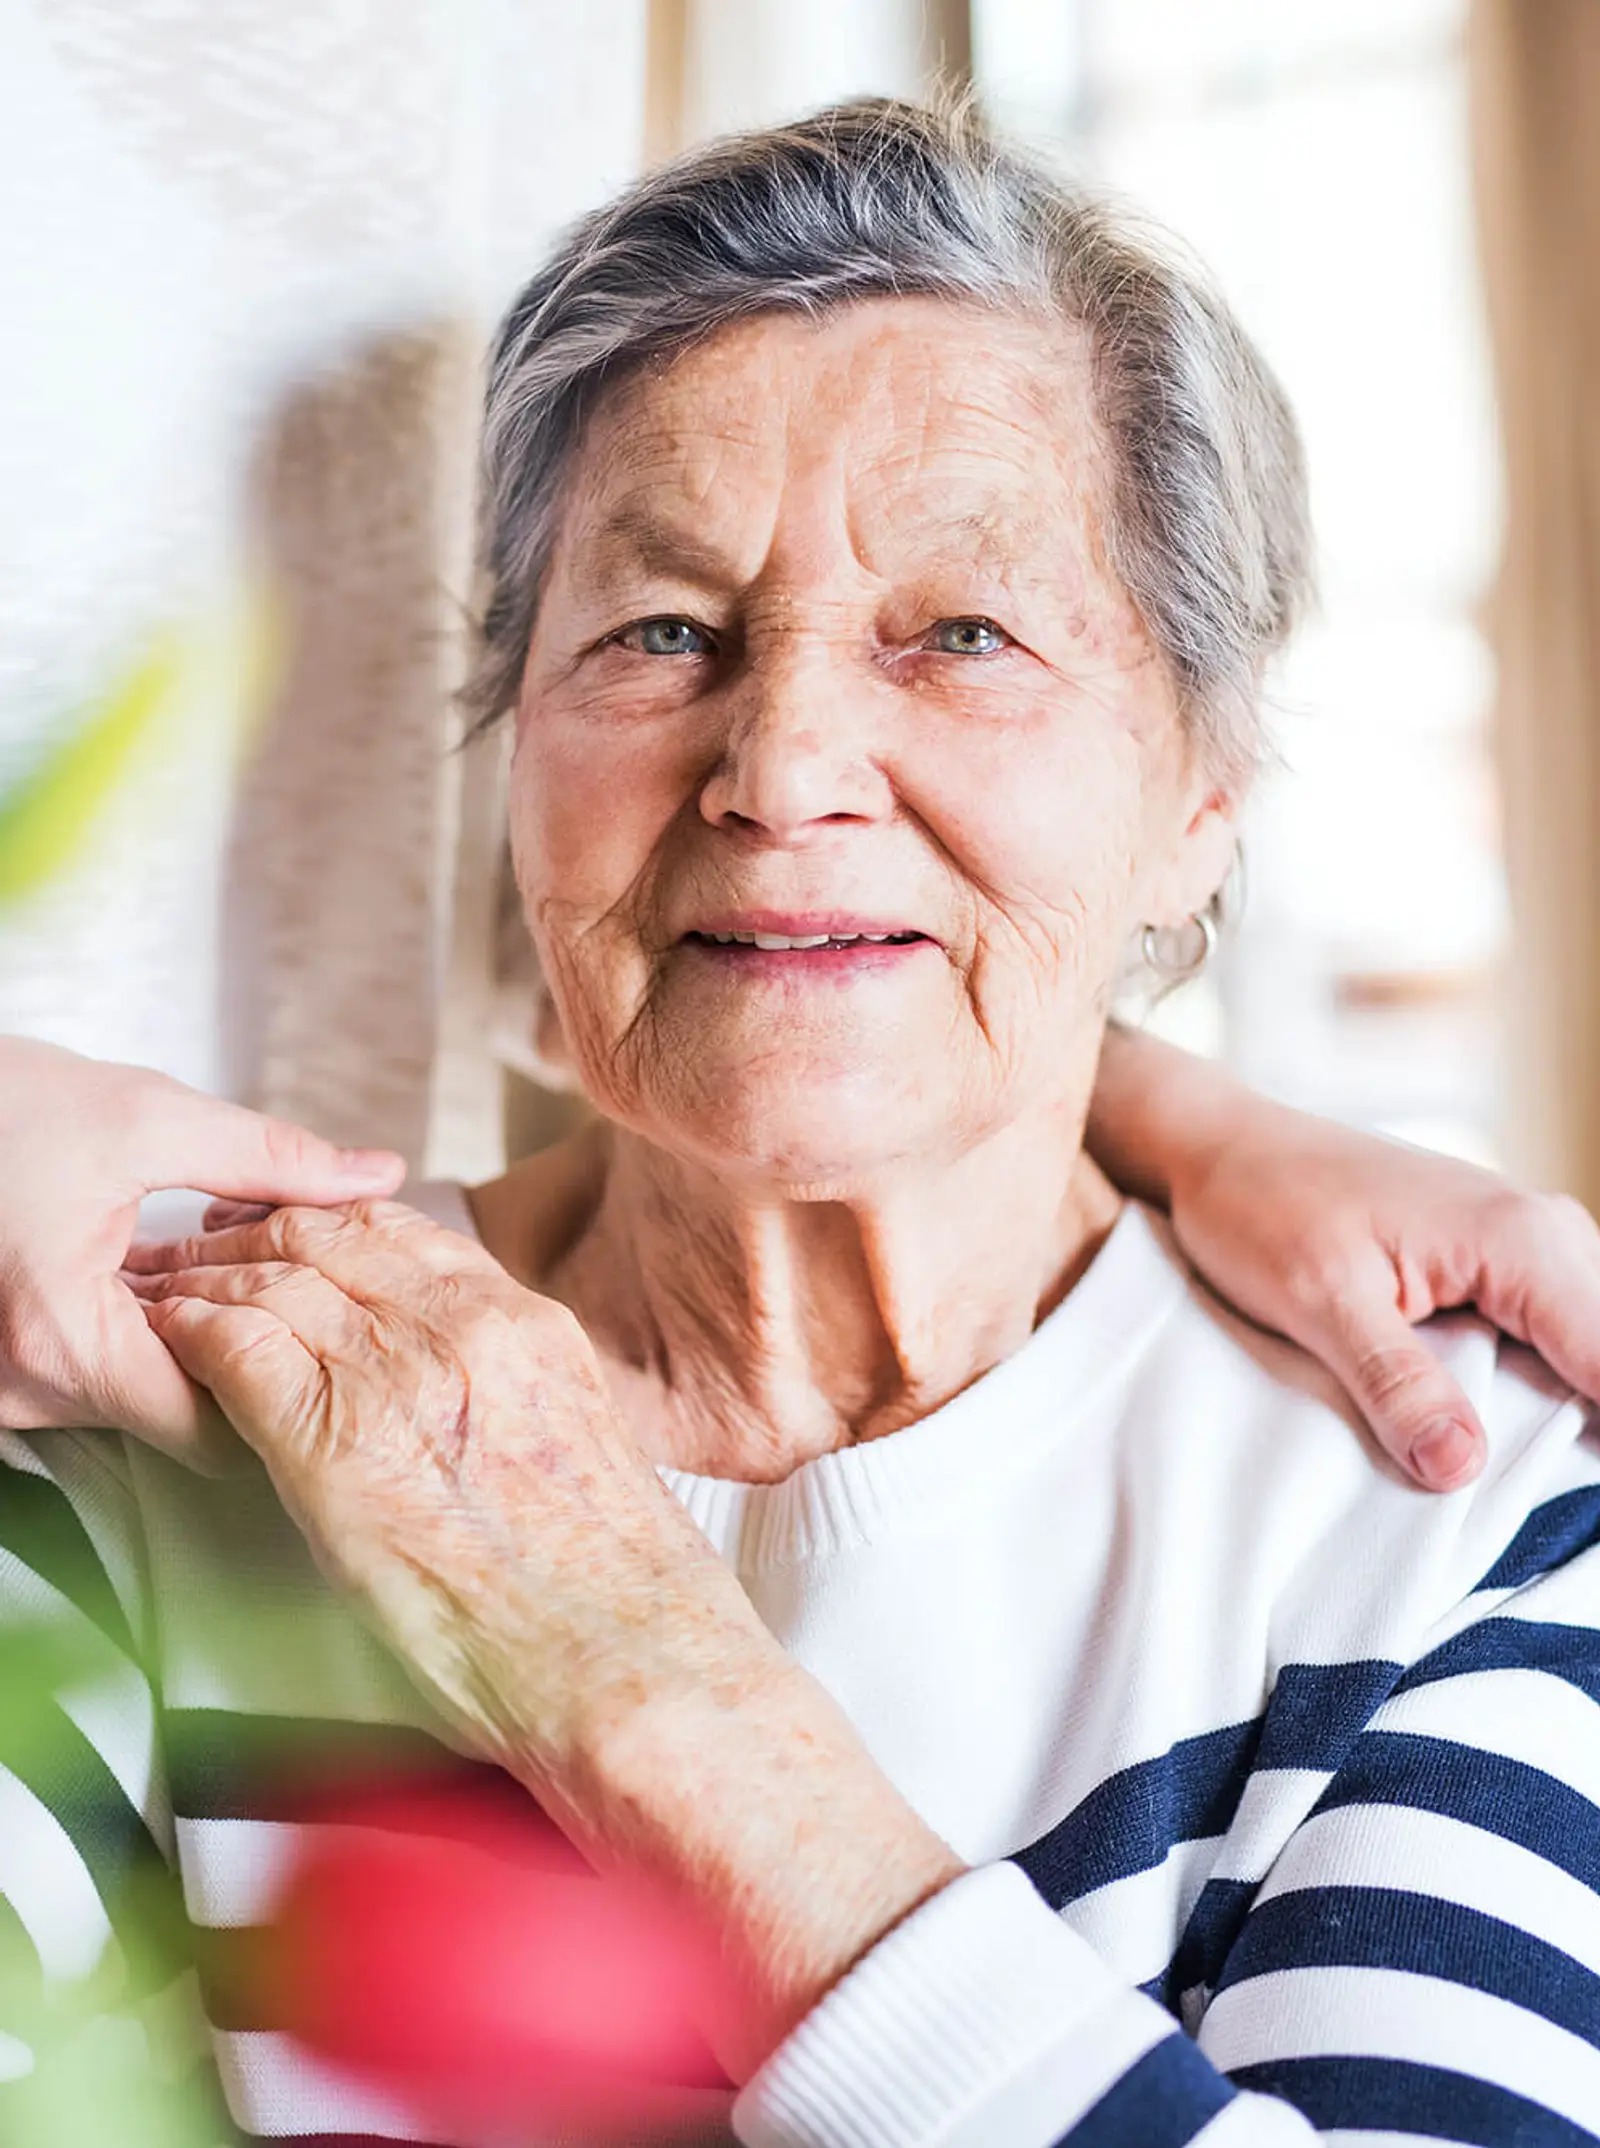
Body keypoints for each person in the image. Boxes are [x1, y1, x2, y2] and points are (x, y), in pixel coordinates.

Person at [5, 98, 1600, 2146]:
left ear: (1202, 792)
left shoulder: (1452, 1506)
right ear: (511, 763)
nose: (780, 766)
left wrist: (614, 1658)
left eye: (958, 635)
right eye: (658, 632)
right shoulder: (177, 1433)